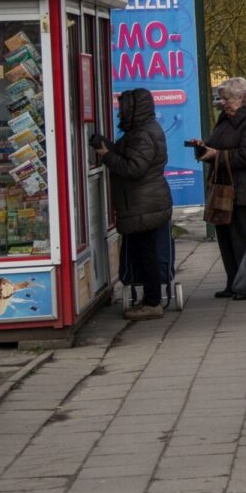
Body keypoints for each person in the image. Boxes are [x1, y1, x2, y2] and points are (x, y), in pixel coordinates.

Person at [95, 88, 174, 321]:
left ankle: (152, 302)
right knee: (145, 251)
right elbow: (130, 156)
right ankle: (151, 299)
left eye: (123, 108)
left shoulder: (142, 134)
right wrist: (107, 146)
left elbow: (134, 168)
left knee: (145, 253)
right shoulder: (145, 130)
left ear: (133, 109)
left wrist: (106, 156)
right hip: (146, 201)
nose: (120, 113)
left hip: (144, 202)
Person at [190, 77, 246, 299]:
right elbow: (217, 146)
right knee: (225, 238)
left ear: (241, 98)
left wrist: (219, 155)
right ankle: (233, 282)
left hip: (244, 190)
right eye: (221, 98)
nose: (221, 103)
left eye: (226, 99)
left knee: (243, 238)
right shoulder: (225, 119)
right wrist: (204, 149)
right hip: (223, 189)